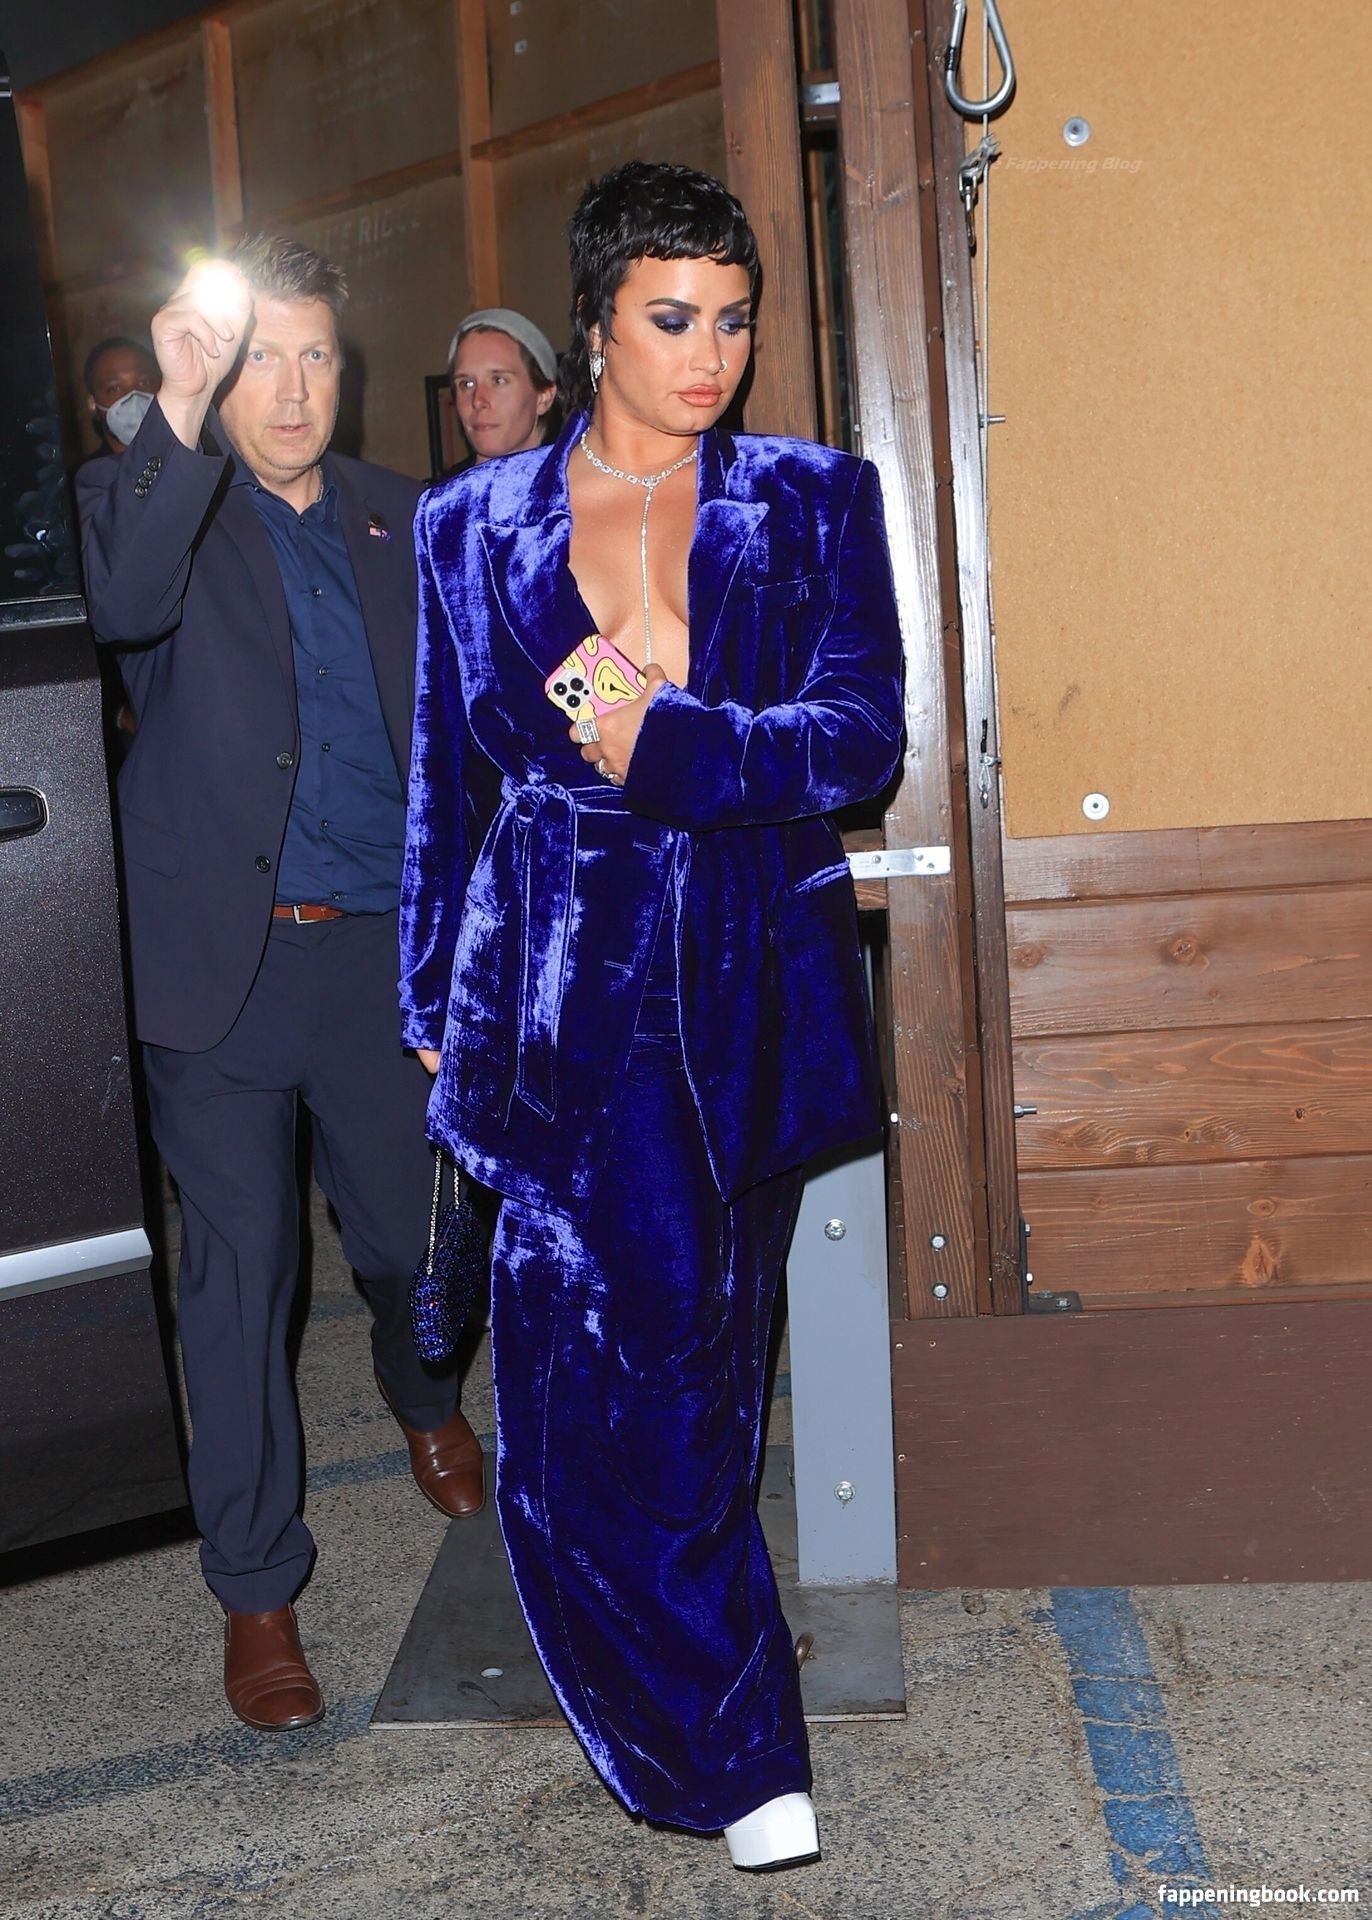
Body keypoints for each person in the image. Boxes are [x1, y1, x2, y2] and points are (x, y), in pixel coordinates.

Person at [399, 162, 904, 1869]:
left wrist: (677, 746)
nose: (710, 356)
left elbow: (860, 735)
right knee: (587, 1375)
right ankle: (735, 1750)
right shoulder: (469, 527)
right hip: (550, 990)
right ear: (596, 325)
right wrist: (428, 997)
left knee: (699, 1363)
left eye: (734, 321)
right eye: (673, 319)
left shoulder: (813, 498)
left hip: (744, 983)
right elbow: (445, 780)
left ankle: (689, 1711)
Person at [78, 235, 485, 1734]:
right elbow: (121, 606)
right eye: (262, 359)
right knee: (238, 1276)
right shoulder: (153, 503)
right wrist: (177, 406)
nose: (294, 389)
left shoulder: (406, 515)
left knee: (413, 1245)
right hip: (222, 970)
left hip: (380, 954)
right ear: (217, 369)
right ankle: (256, 1588)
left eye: (317, 356)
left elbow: (498, 695)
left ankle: (423, 1395)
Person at [445, 307, 558, 472]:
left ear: (544, 397)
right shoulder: (444, 489)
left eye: (498, 380)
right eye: (466, 384)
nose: (478, 400)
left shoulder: (575, 485)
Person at [83, 334, 161, 456]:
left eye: (145, 382)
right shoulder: (92, 468)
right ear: (93, 404)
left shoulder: (187, 461)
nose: (134, 398)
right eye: (115, 389)